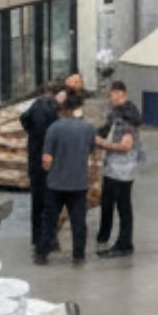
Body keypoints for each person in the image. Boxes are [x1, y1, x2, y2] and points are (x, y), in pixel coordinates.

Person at [39, 91, 95, 266]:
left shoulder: (54, 128)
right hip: (78, 183)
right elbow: (91, 151)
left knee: (50, 220)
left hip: (56, 184)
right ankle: (78, 256)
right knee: (78, 221)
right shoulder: (88, 129)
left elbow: (46, 159)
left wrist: (48, 170)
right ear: (79, 108)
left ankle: (42, 253)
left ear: (63, 108)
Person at [94, 81, 141, 258]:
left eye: (114, 95)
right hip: (112, 168)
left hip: (123, 169)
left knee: (123, 206)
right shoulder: (116, 113)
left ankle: (124, 244)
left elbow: (125, 146)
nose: (111, 98)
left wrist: (102, 144)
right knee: (107, 201)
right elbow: (106, 129)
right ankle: (103, 235)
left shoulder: (128, 116)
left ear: (122, 94)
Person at [18, 83, 65, 259]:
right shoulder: (54, 111)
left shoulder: (37, 104)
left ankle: (37, 238)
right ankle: (49, 239)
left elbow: (23, 119)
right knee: (51, 203)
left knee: (37, 202)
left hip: (35, 161)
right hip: (50, 162)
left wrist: (31, 134)